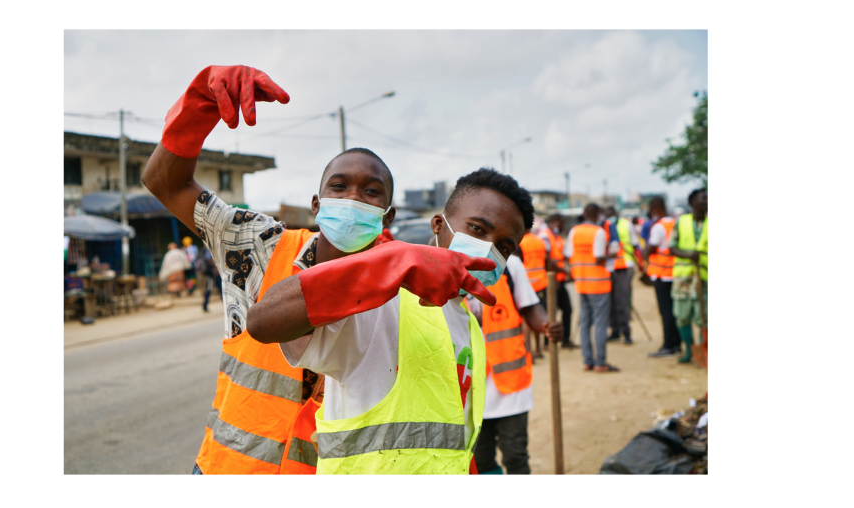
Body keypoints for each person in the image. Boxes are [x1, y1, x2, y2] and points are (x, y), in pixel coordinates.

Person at [142, 64, 399, 475]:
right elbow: (164, 182)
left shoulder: (403, 287)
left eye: (371, 192)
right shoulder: (262, 246)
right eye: (339, 186)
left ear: (388, 214)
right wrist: (199, 104)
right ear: (317, 204)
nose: (353, 198)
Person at [248, 168, 536, 474]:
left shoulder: (471, 328)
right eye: (478, 229)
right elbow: (263, 321)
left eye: (504, 247)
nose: (489, 250)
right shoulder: (383, 302)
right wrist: (388, 264)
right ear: (438, 224)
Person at [472, 250, 561, 474]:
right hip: (468, 390)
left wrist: (544, 325)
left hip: (511, 387)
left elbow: (529, 307)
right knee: (479, 461)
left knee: (515, 457)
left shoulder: (510, 265)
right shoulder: (443, 265)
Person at [564, 203, 619, 372]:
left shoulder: (574, 231)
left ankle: (588, 361)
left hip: (581, 282)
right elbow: (598, 258)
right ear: (598, 215)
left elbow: (567, 255)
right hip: (599, 283)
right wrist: (613, 253)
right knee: (601, 324)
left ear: (584, 213)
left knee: (585, 322)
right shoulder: (599, 232)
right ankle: (601, 362)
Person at [668, 189, 707, 363]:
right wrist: (688, 255)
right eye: (703, 198)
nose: (706, 201)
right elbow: (672, 247)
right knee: (682, 316)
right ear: (692, 202)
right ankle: (689, 350)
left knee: (704, 317)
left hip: (705, 278)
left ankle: (704, 350)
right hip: (684, 278)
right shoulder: (681, 222)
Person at [644, 197, 681, 359]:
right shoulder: (675, 223)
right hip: (674, 273)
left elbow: (650, 249)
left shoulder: (658, 227)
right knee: (674, 311)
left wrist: (645, 254)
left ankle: (669, 345)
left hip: (661, 275)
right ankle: (677, 342)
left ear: (655, 209)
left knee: (665, 311)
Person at [605, 206, 643, 345]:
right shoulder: (604, 226)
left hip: (624, 266)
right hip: (609, 267)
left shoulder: (626, 225)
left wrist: (640, 263)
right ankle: (614, 330)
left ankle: (626, 332)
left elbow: (636, 245)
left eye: (611, 213)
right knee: (610, 301)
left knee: (622, 300)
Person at [538, 213, 574, 349]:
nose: (563, 225)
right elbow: (547, 261)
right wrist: (564, 272)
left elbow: (560, 255)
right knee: (550, 311)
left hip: (559, 279)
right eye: (562, 223)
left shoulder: (556, 237)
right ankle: (548, 342)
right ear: (555, 222)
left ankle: (565, 340)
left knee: (567, 309)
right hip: (551, 280)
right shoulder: (544, 236)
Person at [518, 230, 548, 358]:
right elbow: (546, 259)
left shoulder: (520, 242)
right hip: (540, 282)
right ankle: (538, 350)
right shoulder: (539, 240)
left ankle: (529, 352)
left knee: (526, 319)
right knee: (538, 316)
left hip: (526, 283)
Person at [200, 247, 221, 313]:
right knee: (209, 289)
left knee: (220, 288)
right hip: (211, 273)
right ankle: (205, 305)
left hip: (214, 272)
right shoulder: (210, 248)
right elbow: (208, 259)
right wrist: (215, 268)